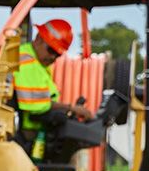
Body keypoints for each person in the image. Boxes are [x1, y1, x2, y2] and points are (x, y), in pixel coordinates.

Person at [14, 18, 92, 160]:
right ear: (38, 39)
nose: (53, 57)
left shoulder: (40, 64)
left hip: (35, 135)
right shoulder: (26, 62)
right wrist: (72, 109)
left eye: (58, 54)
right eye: (51, 50)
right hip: (24, 137)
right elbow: (37, 105)